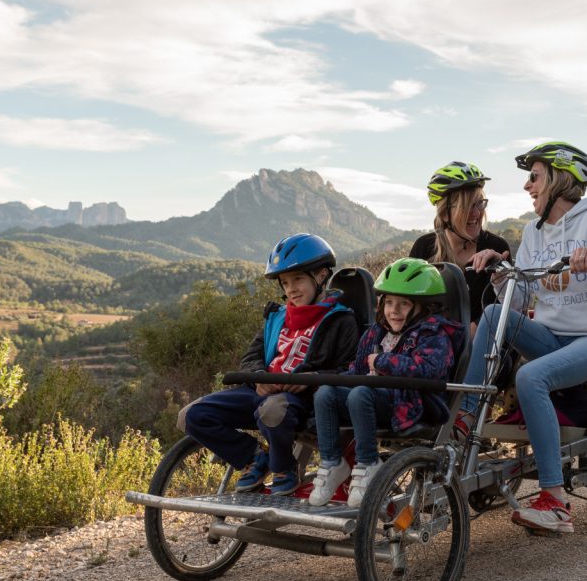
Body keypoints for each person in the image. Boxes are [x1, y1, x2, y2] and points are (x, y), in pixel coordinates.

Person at [466, 141, 587, 534]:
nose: (527, 186)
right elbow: (519, 299)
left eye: (533, 177)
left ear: (558, 178)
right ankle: (464, 419)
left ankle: (555, 501)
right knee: (492, 315)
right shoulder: (533, 232)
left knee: (530, 377)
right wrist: (502, 272)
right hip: (556, 338)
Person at [178, 233, 359, 494]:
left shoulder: (341, 320)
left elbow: (348, 369)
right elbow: (251, 358)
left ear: (321, 276)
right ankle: (254, 458)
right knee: (191, 416)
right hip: (261, 391)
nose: (290, 289)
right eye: (285, 282)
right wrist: (259, 377)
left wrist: (310, 379)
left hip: (299, 399)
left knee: (273, 410)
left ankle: (284, 468)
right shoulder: (277, 316)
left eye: (298, 279)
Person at [309, 258, 465, 507]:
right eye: (389, 302)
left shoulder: (433, 335)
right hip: (373, 401)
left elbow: (430, 370)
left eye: (404, 304)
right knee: (326, 393)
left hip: (412, 403)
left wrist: (384, 361)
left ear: (423, 307)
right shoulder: (375, 333)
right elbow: (358, 370)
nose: (394, 310)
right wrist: (331, 380)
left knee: (360, 394)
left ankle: (368, 463)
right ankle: (332, 463)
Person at [409, 162, 511, 336]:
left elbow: (501, 311)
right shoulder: (424, 248)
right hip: (431, 346)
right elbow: (409, 304)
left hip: (482, 345)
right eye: (468, 206)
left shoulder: (496, 248)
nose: (477, 214)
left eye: (480, 204)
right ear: (444, 214)